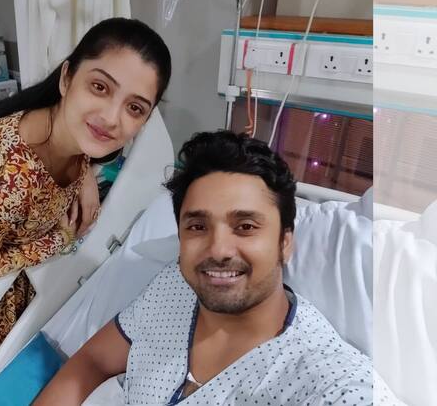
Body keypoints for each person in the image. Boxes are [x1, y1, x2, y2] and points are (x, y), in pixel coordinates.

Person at [35, 131, 373, 405]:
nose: (218, 250)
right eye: (198, 227)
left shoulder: (330, 382)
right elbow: (91, 362)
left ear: (285, 242)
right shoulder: (174, 287)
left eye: (245, 227)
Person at [0, 17, 171, 404]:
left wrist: (86, 172)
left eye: (134, 108)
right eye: (100, 87)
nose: (112, 118)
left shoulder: (71, 138)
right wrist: (60, 240)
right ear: (66, 79)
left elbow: (87, 141)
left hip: (10, 281)